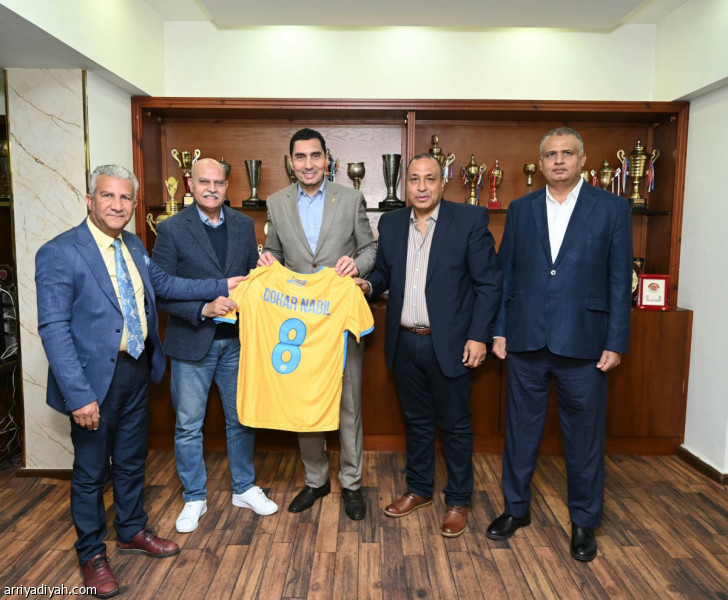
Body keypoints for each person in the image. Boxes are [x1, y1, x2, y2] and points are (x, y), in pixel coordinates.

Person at [35, 165, 241, 598]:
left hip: (136, 369)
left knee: (131, 461)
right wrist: (79, 396)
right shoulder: (60, 252)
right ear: (89, 200)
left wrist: (223, 284)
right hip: (92, 382)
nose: (118, 205)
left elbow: (165, 283)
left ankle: (130, 530)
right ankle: (92, 554)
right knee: (91, 472)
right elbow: (53, 329)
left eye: (125, 198)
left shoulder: (132, 244)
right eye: (108, 196)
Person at [485, 127, 632, 561]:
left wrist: (616, 341)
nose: (559, 161)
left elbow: (618, 280)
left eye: (567, 153)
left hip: (585, 344)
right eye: (551, 154)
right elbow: (507, 274)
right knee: (520, 433)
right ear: (542, 162)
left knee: (584, 440)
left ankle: (584, 522)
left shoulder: (612, 208)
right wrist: (500, 329)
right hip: (526, 341)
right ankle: (516, 509)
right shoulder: (521, 208)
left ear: (582, 160)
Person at [355, 153, 501, 537]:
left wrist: (478, 336)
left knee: (455, 425)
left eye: (430, 179)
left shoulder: (468, 220)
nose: (421, 187)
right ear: (406, 185)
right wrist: (368, 285)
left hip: (450, 344)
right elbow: (384, 272)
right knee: (417, 422)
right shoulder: (391, 223)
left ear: (442, 183)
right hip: (404, 341)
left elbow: (489, 284)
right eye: (415, 179)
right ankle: (419, 489)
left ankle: (458, 500)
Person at [152, 158, 277, 535]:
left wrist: (265, 267)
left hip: (237, 342)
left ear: (226, 186)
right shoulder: (171, 228)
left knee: (241, 419)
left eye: (218, 182)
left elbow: (249, 279)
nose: (211, 188)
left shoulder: (242, 224)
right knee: (188, 425)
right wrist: (202, 309)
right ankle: (194, 496)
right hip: (191, 342)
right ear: (189, 185)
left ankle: (243, 488)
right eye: (203, 182)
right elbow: (159, 290)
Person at [258, 128, 376, 520]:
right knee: (304, 401)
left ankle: (352, 484)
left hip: (339, 319)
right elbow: (275, 253)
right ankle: (316, 480)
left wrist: (356, 265)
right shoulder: (276, 202)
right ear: (290, 162)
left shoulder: (351, 198)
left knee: (349, 403)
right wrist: (268, 262)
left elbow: (371, 247)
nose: (308, 164)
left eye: (315, 156)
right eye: (300, 157)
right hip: (298, 324)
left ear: (327, 159)